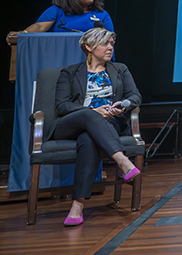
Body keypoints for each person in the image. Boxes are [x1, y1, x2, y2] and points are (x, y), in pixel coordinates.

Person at [52, 28, 141, 226]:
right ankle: (122, 160)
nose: (110, 48)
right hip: (71, 123)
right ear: (89, 47)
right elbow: (62, 105)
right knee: (87, 113)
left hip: (108, 123)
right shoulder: (70, 72)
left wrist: (122, 106)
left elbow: (134, 96)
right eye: (105, 44)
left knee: (87, 140)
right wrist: (93, 111)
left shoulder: (120, 69)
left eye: (112, 43)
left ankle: (77, 205)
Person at [8, 0, 114, 44]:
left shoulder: (101, 14)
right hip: (60, 57)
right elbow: (39, 27)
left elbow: (110, 39)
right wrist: (24, 33)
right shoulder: (57, 11)